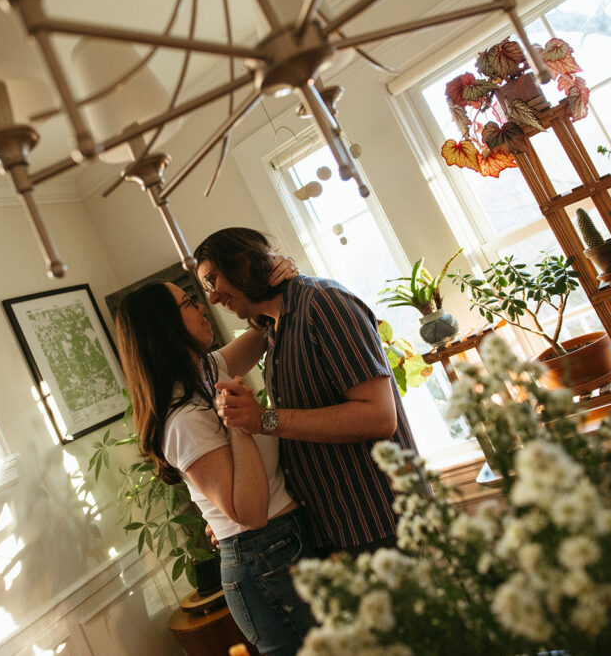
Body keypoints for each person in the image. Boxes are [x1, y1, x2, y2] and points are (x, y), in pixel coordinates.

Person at [113, 266, 316, 656]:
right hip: (264, 557)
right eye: (189, 303)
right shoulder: (184, 418)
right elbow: (250, 512)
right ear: (166, 327)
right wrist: (240, 424)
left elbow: (263, 331)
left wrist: (285, 279)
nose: (202, 307)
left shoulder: (207, 371)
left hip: (281, 544)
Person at [193, 227, 419, 557]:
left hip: (385, 522)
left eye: (213, 280)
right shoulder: (274, 328)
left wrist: (265, 419)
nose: (212, 298)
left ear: (242, 262)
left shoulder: (322, 304)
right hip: (339, 530)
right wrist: (228, 520)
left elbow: (380, 417)